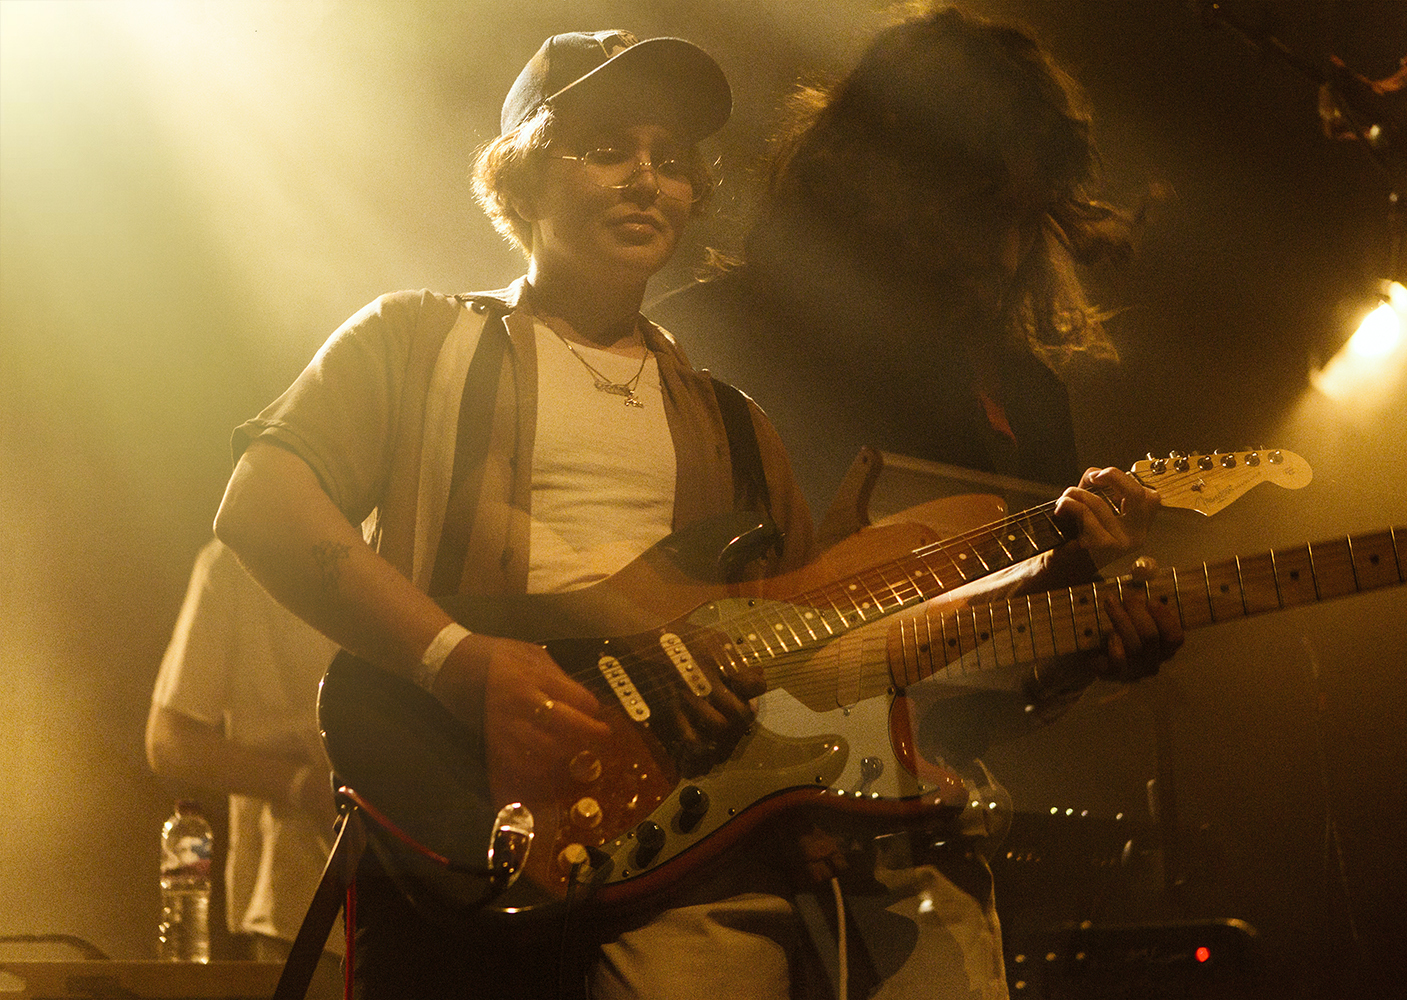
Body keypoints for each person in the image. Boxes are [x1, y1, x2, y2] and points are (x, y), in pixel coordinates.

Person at [213, 24, 1179, 1000]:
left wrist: (1076, 637)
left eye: (670, 159)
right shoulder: (413, 339)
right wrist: (461, 664)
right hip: (453, 807)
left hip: (664, 847)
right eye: (606, 148)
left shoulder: (732, 421)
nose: (646, 177)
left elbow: (804, 665)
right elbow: (260, 505)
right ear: (521, 177)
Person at [651, 5, 1141, 520]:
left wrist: (1092, 577)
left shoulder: (1027, 398)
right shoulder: (695, 346)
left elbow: (1037, 593)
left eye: (1028, 218)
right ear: (881, 189)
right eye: (982, 212)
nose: (1006, 255)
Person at [146, 538, 344, 996]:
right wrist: (301, 785)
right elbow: (168, 740)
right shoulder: (235, 560)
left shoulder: (415, 540)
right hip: (299, 907)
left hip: (430, 900)